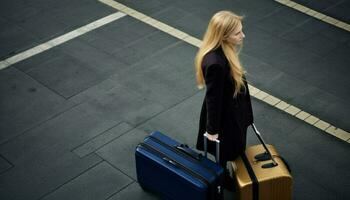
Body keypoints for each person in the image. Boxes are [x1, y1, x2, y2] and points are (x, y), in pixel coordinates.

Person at [194, 11, 254, 190]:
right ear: (224, 35)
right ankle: (222, 177)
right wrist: (211, 130)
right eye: (238, 33)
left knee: (227, 148)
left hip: (231, 109)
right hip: (226, 116)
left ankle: (223, 174)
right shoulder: (215, 63)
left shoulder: (223, 50)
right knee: (225, 149)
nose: (243, 35)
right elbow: (214, 100)